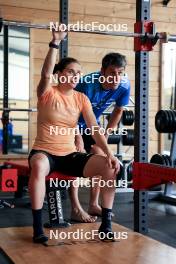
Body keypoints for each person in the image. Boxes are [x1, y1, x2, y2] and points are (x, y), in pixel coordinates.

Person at [28, 26, 120, 243]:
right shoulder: (47, 92)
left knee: (109, 167)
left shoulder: (81, 98)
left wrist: (109, 153)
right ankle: (37, 227)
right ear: (59, 75)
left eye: (78, 72)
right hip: (45, 152)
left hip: (69, 155)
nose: (76, 75)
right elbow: (45, 73)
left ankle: (105, 225)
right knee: (40, 165)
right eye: (71, 71)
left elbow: (94, 128)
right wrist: (55, 43)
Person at [69, 53, 130, 220]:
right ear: (102, 71)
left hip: (91, 125)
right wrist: (77, 137)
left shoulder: (124, 85)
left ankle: (94, 204)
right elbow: (70, 113)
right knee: (74, 158)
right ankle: (75, 208)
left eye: (120, 73)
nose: (116, 78)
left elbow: (118, 110)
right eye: (112, 73)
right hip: (70, 124)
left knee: (101, 158)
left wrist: (107, 132)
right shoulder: (86, 85)